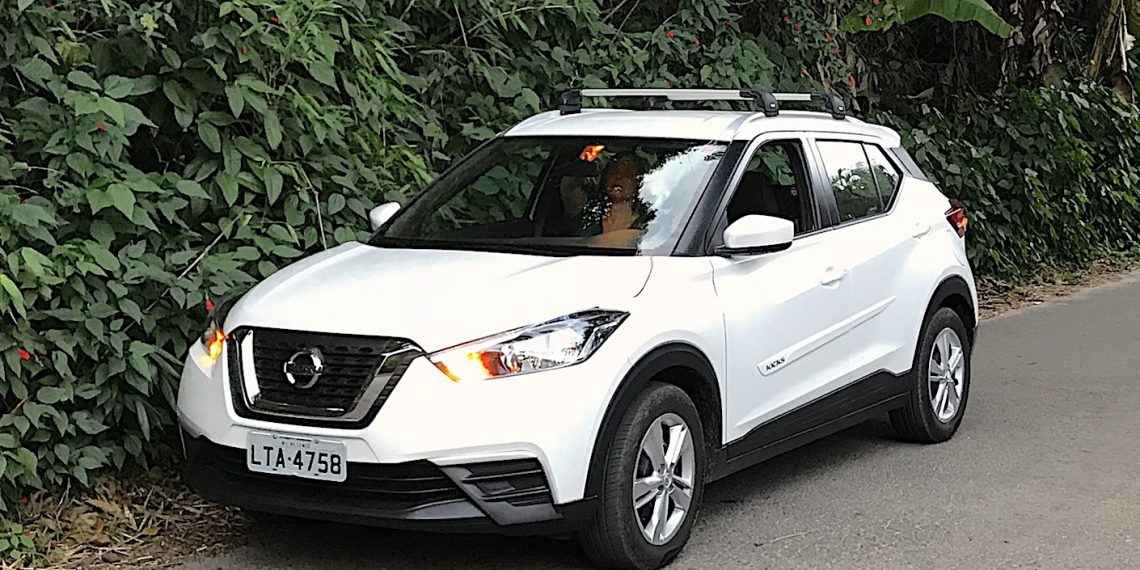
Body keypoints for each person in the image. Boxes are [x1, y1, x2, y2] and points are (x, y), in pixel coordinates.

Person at [579, 154, 655, 238]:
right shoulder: (588, 220)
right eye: (613, 172)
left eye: (627, 173)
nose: (618, 177)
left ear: (638, 182)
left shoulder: (650, 224)